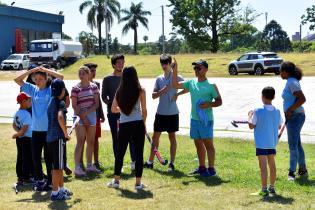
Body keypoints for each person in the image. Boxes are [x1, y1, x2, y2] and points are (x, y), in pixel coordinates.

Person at [14, 66, 64, 191]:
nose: (38, 81)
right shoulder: (33, 89)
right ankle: (40, 180)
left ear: (46, 79)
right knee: (35, 157)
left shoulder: (50, 90)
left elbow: (61, 77)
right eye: (36, 79)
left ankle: (50, 182)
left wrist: (45, 70)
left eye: (41, 79)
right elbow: (17, 80)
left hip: (48, 130)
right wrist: (32, 71)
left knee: (48, 158)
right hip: (36, 130)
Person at [172, 59, 222, 177]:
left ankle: (211, 169)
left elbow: (219, 101)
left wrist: (209, 104)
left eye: (198, 68)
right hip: (194, 119)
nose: (196, 70)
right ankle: (201, 167)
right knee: (198, 144)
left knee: (208, 144)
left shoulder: (211, 86)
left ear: (205, 69)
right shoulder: (191, 83)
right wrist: (175, 70)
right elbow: (175, 85)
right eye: (195, 68)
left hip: (206, 120)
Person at [144, 54, 187, 172]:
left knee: (172, 137)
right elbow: (153, 96)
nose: (164, 66)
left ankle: (172, 163)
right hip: (160, 113)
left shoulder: (177, 77)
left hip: (173, 113)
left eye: (166, 63)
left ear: (170, 64)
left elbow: (188, 87)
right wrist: (163, 91)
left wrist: (177, 94)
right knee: (155, 137)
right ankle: (150, 161)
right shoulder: (159, 79)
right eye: (162, 63)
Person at [107, 66, 147, 189]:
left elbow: (113, 109)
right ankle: (138, 183)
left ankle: (116, 181)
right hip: (138, 123)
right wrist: (143, 124)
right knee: (139, 153)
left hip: (124, 124)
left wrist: (122, 110)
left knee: (120, 153)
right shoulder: (141, 90)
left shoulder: (119, 91)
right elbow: (144, 111)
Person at [102, 54, 136, 170]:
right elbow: (103, 96)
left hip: (127, 113)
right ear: (113, 64)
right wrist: (111, 105)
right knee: (116, 138)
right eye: (118, 63)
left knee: (131, 137)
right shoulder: (107, 79)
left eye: (122, 62)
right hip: (113, 114)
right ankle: (119, 163)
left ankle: (134, 161)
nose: (121, 65)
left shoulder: (127, 77)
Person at [248, 87, 282, 196]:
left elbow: (251, 126)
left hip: (261, 143)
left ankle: (263, 189)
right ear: (274, 97)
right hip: (272, 143)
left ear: (262, 97)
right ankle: (272, 187)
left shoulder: (257, 111)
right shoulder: (277, 111)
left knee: (263, 166)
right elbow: (279, 125)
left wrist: (249, 115)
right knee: (272, 164)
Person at [280, 61, 308, 181]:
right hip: (294, 116)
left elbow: (302, 99)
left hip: (295, 117)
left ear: (285, 72)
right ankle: (303, 170)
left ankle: (291, 173)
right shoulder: (291, 82)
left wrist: (290, 109)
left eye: (281, 71)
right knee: (297, 144)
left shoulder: (292, 82)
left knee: (292, 146)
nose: (279, 73)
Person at [71, 66, 100, 177]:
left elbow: (96, 104)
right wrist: (83, 117)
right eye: (80, 73)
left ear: (88, 74)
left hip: (91, 116)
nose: (81, 75)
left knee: (91, 142)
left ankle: (89, 165)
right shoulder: (75, 88)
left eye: (83, 73)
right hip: (79, 117)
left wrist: (87, 114)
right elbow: (74, 105)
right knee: (80, 142)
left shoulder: (94, 87)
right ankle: (77, 167)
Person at [47, 79, 73, 201]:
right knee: (58, 168)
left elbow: (55, 120)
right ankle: (55, 192)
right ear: (62, 90)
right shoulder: (60, 102)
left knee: (58, 166)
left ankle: (61, 189)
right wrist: (65, 133)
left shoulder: (51, 101)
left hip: (50, 138)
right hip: (58, 138)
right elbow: (60, 117)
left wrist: (66, 127)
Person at [84, 63, 105, 171]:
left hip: (95, 116)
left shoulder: (97, 84)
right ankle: (83, 163)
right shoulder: (80, 85)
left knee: (95, 139)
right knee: (83, 140)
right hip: (84, 117)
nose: (94, 72)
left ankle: (95, 161)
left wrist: (101, 114)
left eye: (94, 70)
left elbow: (98, 101)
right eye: (91, 70)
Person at [12, 92, 33, 184]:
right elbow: (24, 129)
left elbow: (14, 125)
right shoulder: (26, 114)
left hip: (20, 139)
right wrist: (18, 134)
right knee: (27, 158)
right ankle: (26, 177)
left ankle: (20, 176)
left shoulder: (17, 113)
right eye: (28, 100)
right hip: (27, 139)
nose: (30, 102)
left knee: (20, 156)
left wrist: (18, 133)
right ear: (23, 102)